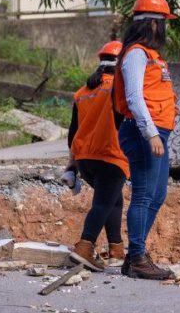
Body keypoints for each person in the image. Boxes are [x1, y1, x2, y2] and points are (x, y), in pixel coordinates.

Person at [113, 0, 178, 280]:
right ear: (152, 24)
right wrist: (150, 133)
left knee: (157, 193)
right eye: (163, 22)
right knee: (143, 193)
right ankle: (137, 257)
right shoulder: (136, 53)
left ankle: (134, 255)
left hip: (154, 131)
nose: (165, 29)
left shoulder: (150, 55)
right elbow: (134, 97)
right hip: (143, 131)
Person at [67, 40, 129, 272]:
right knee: (104, 202)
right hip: (110, 154)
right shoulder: (117, 88)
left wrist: (71, 165)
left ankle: (116, 250)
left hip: (85, 159)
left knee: (113, 199)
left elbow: (72, 131)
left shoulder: (83, 92)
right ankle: (85, 247)